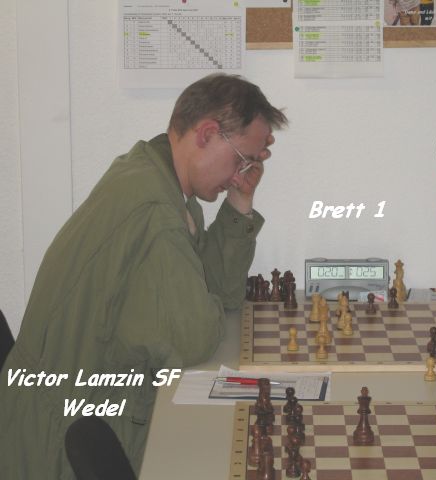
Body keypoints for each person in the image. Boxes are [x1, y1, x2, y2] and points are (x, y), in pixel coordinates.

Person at [0, 73, 288, 478]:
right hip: (59, 442)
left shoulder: (156, 177)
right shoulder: (157, 214)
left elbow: (219, 294)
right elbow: (194, 340)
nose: (244, 170)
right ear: (207, 134)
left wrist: (241, 200)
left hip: (75, 413)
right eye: (243, 159)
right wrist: (203, 303)